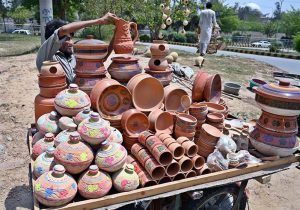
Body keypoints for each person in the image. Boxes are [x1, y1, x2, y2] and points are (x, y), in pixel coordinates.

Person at [36, 13, 118, 84]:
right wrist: (100, 20)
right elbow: (64, 30)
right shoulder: (46, 56)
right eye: (66, 39)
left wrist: (116, 34)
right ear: (54, 40)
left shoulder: (73, 56)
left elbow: (101, 58)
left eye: (71, 38)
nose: (71, 43)